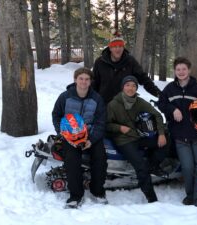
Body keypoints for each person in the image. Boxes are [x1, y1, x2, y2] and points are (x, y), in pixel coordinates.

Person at [158, 57, 197, 207]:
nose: (181, 72)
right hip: (180, 138)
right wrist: (172, 109)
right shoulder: (170, 89)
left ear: (189, 70)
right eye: (178, 69)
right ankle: (190, 195)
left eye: (184, 69)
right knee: (187, 168)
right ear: (175, 71)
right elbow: (162, 103)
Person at [106, 75, 169, 203]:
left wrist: (161, 134)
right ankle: (152, 199)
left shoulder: (139, 102)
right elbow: (106, 124)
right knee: (140, 166)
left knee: (167, 140)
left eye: (134, 86)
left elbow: (156, 115)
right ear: (123, 87)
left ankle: (152, 164)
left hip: (138, 136)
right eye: (128, 85)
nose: (131, 88)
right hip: (124, 140)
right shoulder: (113, 104)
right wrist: (120, 128)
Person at [52, 67, 108, 208]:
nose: (84, 81)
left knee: (100, 158)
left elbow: (100, 122)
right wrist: (63, 132)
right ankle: (76, 195)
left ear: (90, 81)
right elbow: (56, 115)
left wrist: (91, 140)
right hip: (70, 136)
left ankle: (97, 191)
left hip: (90, 136)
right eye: (81, 78)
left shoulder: (97, 99)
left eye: (87, 79)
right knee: (72, 160)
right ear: (75, 79)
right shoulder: (65, 96)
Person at [92, 33, 161, 104]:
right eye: (115, 46)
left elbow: (144, 79)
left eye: (120, 46)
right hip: (104, 104)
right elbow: (94, 83)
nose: (118, 49)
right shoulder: (100, 62)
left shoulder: (130, 61)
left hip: (125, 105)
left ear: (123, 47)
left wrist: (160, 95)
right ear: (110, 48)